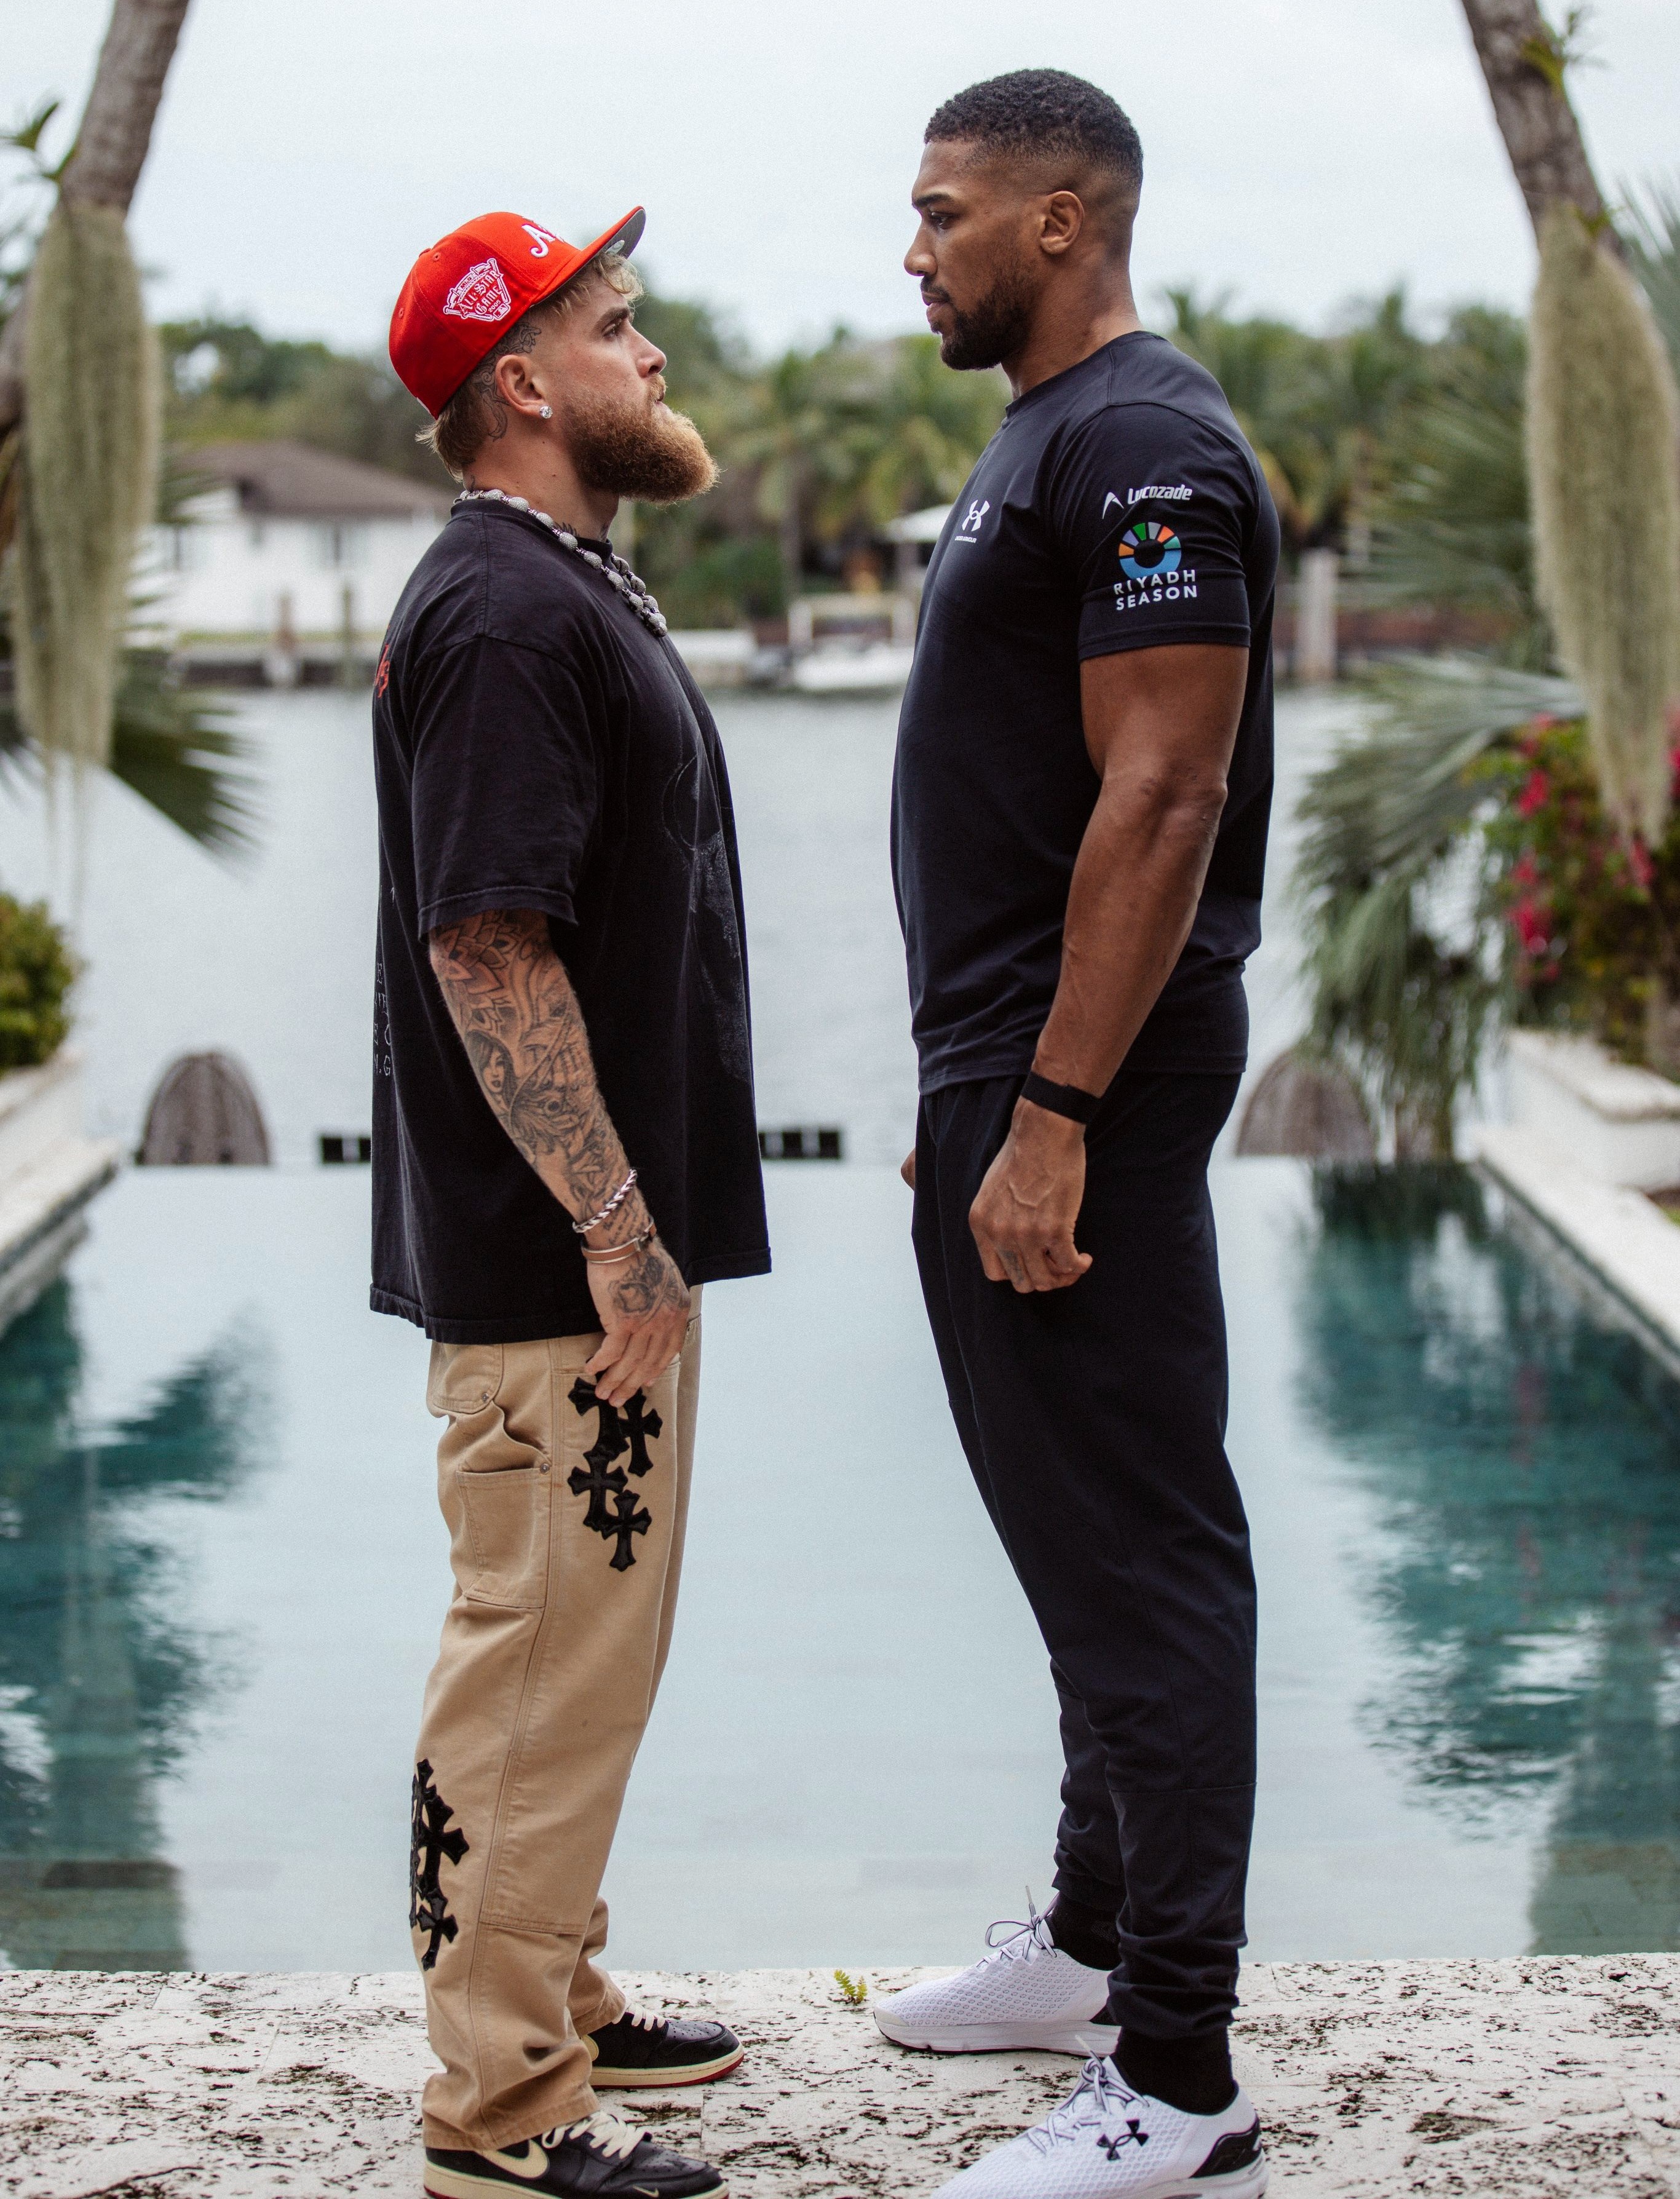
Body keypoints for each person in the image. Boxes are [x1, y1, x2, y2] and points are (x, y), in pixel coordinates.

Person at [874, 71, 1278, 2199]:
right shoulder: (1043, 440)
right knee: (1072, 1528)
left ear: (1060, 221)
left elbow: (1164, 795)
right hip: (1014, 1071)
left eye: (941, 212)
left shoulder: (1139, 447)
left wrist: (1046, 1114)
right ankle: (1089, 1940)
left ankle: (1179, 2078)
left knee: (1140, 1553)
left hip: (1076, 1078)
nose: (912, 247)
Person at [376, 207, 769, 2199]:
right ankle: (501, 2118)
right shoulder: (512, 615)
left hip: (592, 1250)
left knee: (585, 1656)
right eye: (616, 328)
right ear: (520, 383)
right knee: (531, 1662)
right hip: (558, 1264)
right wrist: (615, 1223)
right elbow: (487, 946)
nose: (655, 349)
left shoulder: (556, 583)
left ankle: (559, 1989)